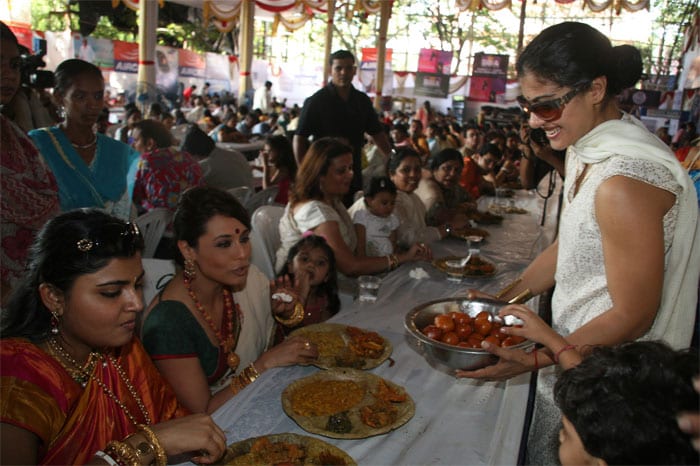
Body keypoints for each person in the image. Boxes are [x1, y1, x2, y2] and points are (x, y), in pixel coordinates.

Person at [456, 22, 700, 466]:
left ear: (595, 89)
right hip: (570, 356)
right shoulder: (589, 150)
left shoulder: (623, 179)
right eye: (527, 106)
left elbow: (634, 313)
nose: (533, 121)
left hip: (609, 386)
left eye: (547, 106)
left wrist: (539, 355)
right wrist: (501, 302)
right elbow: (571, 247)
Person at [0, 209, 226, 465]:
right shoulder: (17, 380)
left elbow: (174, 421)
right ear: (54, 298)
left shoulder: (119, 350)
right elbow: (160, 437)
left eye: (138, 285)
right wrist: (147, 444)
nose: (137, 304)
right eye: (110, 292)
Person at [141, 187, 319, 414]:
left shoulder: (247, 280)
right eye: (224, 244)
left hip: (256, 402)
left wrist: (283, 314)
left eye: (244, 239)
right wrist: (263, 365)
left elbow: (281, 337)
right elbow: (203, 413)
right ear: (187, 250)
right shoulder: (167, 324)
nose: (242, 253)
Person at [276, 138, 429, 277]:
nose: (350, 175)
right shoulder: (315, 212)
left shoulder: (332, 201)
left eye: (350, 168)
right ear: (319, 175)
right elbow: (350, 266)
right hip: (316, 293)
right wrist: (402, 258)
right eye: (341, 171)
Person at [29, 59, 140, 221]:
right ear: (59, 97)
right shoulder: (39, 145)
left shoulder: (117, 152)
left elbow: (124, 214)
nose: (92, 105)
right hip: (55, 242)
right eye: (80, 96)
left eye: (98, 96)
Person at [0, 22, 60, 305]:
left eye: (13, 65)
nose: (8, 75)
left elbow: (45, 196)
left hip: (26, 292)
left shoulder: (14, 135)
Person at [293, 50, 393, 201]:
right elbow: (299, 139)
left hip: (353, 170)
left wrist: (391, 161)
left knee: (351, 213)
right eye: (338, 68)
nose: (343, 72)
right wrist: (305, 172)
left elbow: (377, 134)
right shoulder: (316, 101)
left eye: (348, 68)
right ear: (330, 70)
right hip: (323, 171)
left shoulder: (362, 101)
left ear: (354, 71)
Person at [386, 147, 464, 247]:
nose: (413, 174)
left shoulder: (413, 197)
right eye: (406, 170)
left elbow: (422, 230)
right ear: (391, 174)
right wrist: (449, 227)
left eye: (417, 169)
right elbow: (409, 239)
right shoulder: (389, 201)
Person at [130, 119, 203, 216]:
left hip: (161, 225)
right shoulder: (186, 156)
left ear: (150, 143)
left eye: (135, 140)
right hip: (194, 220)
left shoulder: (145, 161)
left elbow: (132, 194)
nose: (132, 145)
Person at [275, 234, 341, 341]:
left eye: (320, 263)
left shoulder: (324, 300)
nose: (311, 265)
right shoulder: (283, 296)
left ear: (327, 276)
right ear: (290, 266)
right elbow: (289, 334)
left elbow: (326, 331)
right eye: (305, 259)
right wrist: (301, 295)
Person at [181, 124, 254, 191]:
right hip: (249, 201)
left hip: (226, 203)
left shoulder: (204, 167)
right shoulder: (237, 154)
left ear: (195, 154)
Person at [415, 148, 473, 227]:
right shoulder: (431, 191)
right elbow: (432, 224)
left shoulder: (453, 187)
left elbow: (471, 200)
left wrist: (465, 206)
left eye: (457, 170)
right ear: (435, 170)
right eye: (447, 168)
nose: (452, 174)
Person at [350, 176, 401, 257]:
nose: (389, 207)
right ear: (369, 201)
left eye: (392, 203)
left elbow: (393, 242)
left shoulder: (392, 220)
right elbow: (360, 245)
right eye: (384, 203)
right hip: (369, 262)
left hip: (388, 261)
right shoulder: (362, 217)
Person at [259, 134, 297, 204]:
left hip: (280, 204)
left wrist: (265, 166)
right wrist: (257, 168)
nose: (267, 154)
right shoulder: (286, 164)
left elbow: (267, 189)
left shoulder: (283, 169)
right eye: (266, 151)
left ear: (280, 151)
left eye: (270, 151)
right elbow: (272, 170)